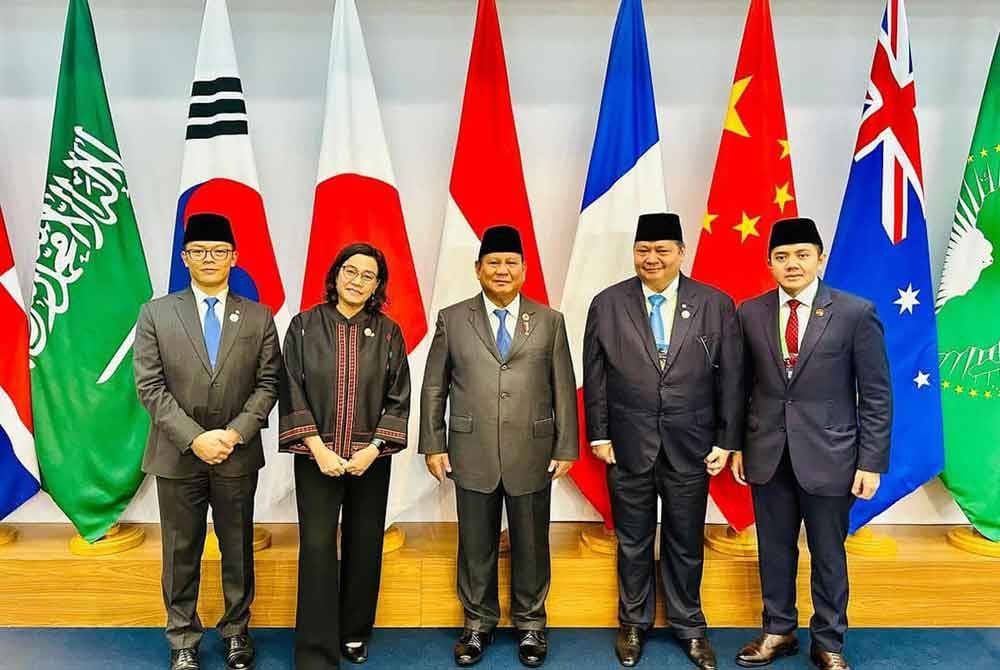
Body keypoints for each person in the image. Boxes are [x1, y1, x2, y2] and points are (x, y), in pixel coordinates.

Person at [583, 212, 742, 670]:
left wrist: (725, 440)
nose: (651, 259)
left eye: (662, 250)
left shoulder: (714, 303)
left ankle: (689, 627)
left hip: (691, 446)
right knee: (632, 540)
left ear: (681, 252)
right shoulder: (607, 303)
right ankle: (632, 624)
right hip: (628, 443)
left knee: (685, 540)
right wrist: (600, 433)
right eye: (643, 250)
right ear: (634, 252)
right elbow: (595, 375)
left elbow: (730, 378)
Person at [732, 217, 891, 670]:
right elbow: (740, 387)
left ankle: (828, 640)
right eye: (781, 257)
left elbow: (876, 392)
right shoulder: (750, 313)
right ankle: (778, 629)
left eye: (802, 254)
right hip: (767, 454)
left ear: (820, 258)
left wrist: (871, 461)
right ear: (769, 264)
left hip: (831, 456)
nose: (792, 264)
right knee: (774, 547)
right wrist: (739, 445)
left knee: (827, 551)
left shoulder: (855, 312)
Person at [419, 225, 578, 668]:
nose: (502, 270)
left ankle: (530, 625)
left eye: (511, 262)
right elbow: (434, 386)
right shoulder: (453, 318)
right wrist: (433, 443)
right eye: (494, 262)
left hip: (533, 448)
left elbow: (562, 386)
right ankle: (477, 624)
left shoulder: (549, 320)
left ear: (524, 270)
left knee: (532, 542)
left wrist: (566, 445)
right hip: (471, 449)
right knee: (475, 543)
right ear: (478, 269)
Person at [134, 212, 281, 670]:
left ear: (234, 258)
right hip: (177, 456)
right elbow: (149, 387)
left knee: (237, 546)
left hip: (237, 455)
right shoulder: (156, 313)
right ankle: (182, 638)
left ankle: (237, 631)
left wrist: (235, 433)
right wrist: (196, 439)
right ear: (185, 257)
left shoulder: (258, 317)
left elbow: (269, 383)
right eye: (199, 251)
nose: (210, 259)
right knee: (181, 550)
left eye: (219, 251)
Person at [278, 243, 410, 669]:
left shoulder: (389, 332)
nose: (356, 281)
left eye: (367, 275)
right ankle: (316, 649)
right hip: (316, 456)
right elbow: (291, 386)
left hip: (370, 459)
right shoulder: (303, 326)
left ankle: (354, 632)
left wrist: (373, 449)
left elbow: (399, 397)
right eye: (350, 271)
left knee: (364, 542)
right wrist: (317, 447)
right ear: (335, 275)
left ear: (377, 285)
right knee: (317, 546)